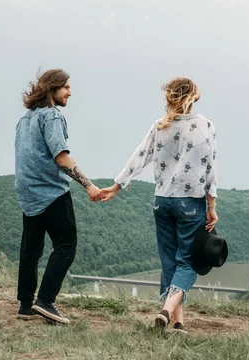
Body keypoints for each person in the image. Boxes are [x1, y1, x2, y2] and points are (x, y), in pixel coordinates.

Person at [100, 77, 218, 333]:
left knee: (169, 263)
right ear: (194, 96)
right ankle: (165, 310)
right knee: (187, 263)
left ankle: (177, 323)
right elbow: (210, 170)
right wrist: (211, 206)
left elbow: (139, 156)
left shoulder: (160, 126)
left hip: (162, 201)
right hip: (190, 202)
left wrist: (117, 185)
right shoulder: (205, 125)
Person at [14, 68, 102, 324]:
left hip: (27, 193)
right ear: (52, 89)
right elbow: (61, 156)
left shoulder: (25, 119)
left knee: (31, 250)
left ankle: (25, 304)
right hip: (51, 192)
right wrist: (88, 185)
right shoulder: (52, 116)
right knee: (66, 246)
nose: (70, 92)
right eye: (66, 87)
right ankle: (46, 301)